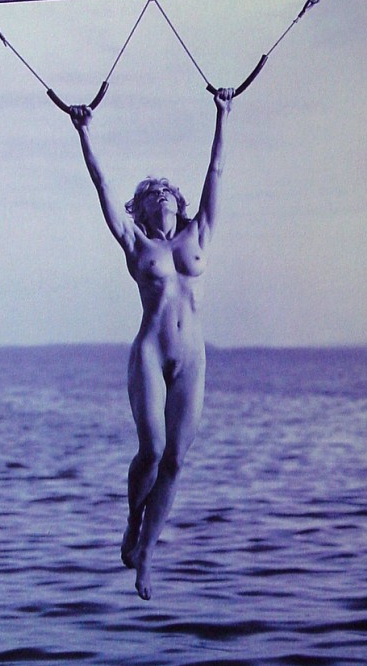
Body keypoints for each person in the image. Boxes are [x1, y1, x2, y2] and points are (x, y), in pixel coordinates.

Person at [69, 88, 235, 600]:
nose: (162, 194)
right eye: (151, 193)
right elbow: (101, 183)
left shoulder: (199, 234)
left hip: (193, 359)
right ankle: (132, 523)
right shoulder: (135, 243)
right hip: (150, 353)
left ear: (178, 204)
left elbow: (216, 170)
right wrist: (85, 132)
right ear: (140, 209)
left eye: (167, 191)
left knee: (177, 461)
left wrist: (223, 113)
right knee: (153, 450)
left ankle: (146, 554)